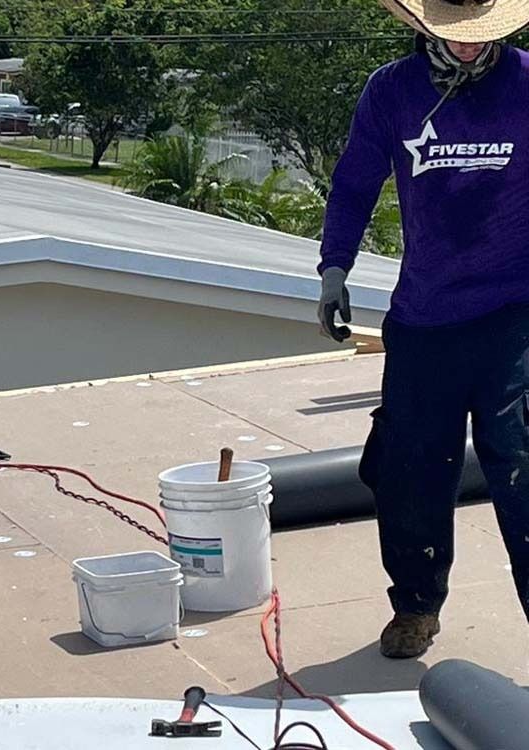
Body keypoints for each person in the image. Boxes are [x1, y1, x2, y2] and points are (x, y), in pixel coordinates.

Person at [319, 0, 529, 659]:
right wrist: (333, 268)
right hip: (424, 319)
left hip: (514, 315)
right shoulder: (392, 91)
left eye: (480, 38)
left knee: (521, 464)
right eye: (453, 36)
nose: (468, 48)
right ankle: (415, 606)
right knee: (408, 470)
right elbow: (354, 182)